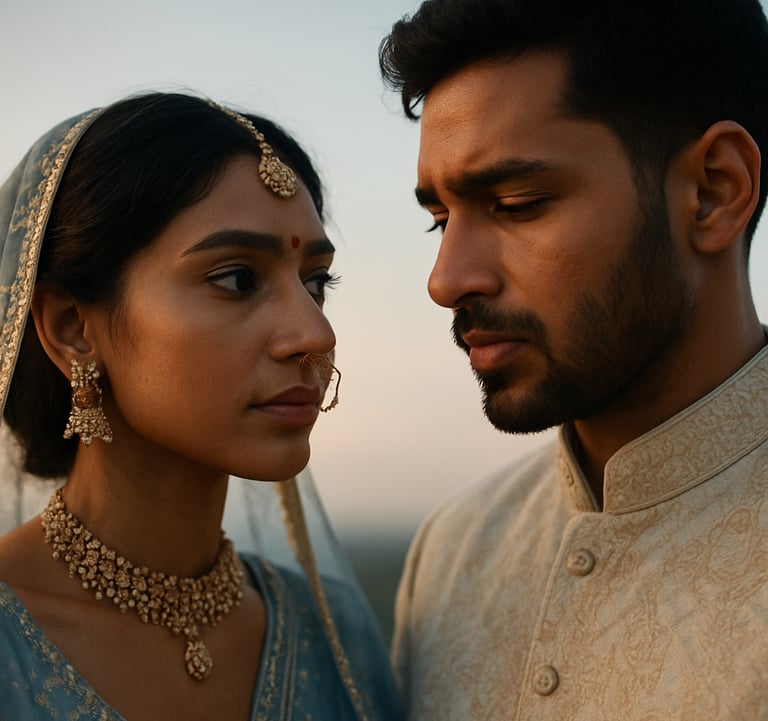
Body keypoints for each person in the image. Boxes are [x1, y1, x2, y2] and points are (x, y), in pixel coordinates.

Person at [379, 0, 768, 718]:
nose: (445, 280)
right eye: (439, 220)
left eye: (517, 202)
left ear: (714, 191)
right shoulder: (451, 553)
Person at [0, 92, 401, 721]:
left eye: (315, 283)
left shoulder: (335, 636)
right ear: (73, 327)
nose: (315, 335)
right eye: (237, 279)